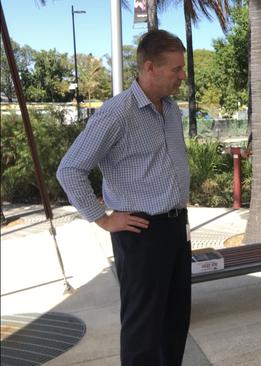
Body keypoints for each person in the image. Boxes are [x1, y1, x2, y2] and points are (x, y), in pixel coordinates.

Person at [57, 30, 191, 366]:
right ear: (149, 67)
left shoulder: (171, 108)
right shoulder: (118, 112)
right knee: (143, 328)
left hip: (176, 228)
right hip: (140, 232)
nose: (182, 75)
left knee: (175, 321)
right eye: (176, 69)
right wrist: (102, 218)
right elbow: (70, 169)